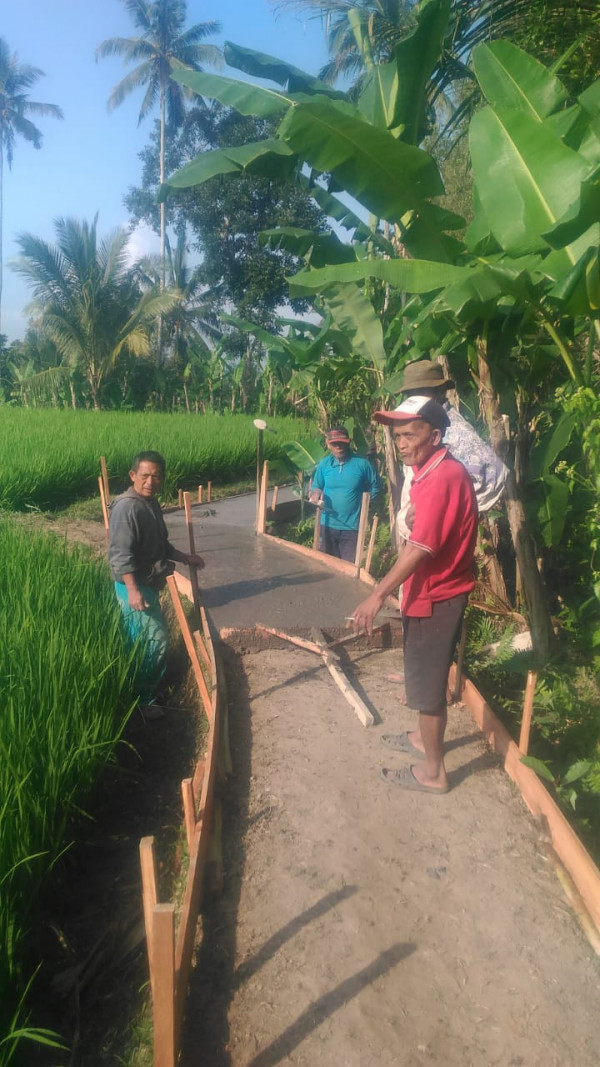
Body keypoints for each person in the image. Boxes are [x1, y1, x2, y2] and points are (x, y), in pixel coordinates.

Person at [351, 397, 478, 794]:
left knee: (428, 688)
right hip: (428, 592)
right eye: (397, 436)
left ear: (435, 436)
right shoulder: (431, 470)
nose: (401, 444)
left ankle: (434, 773)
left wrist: (377, 595)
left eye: (409, 435)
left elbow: (420, 548)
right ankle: (423, 740)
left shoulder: (442, 477)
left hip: (438, 597)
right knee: (425, 678)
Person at [108, 451, 204, 715]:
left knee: (144, 640)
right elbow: (120, 555)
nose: (150, 482)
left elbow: (160, 545)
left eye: (156, 476)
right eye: (145, 476)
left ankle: (146, 690)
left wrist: (186, 558)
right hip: (134, 586)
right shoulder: (127, 507)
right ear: (133, 475)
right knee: (154, 641)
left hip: (146, 584)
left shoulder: (150, 503)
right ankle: (141, 701)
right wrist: (133, 590)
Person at [396, 359, 507, 540]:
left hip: (437, 534)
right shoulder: (422, 425)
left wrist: (433, 510)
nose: (416, 399)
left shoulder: (452, 430)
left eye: (422, 392)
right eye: (411, 394)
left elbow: (489, 475)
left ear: (439, 392)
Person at [309, 427, 381, 562]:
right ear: (328, 444)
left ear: (349, 442)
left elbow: (376, 486)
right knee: (326, 563)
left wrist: (365, 505)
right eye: (335, 443)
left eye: (342, 443)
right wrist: (316, 493)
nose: (338, 447)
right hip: (327, 524)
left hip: (352, 527)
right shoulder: (325, 464)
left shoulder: (362, 464)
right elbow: (316, 485)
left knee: (348, 567)